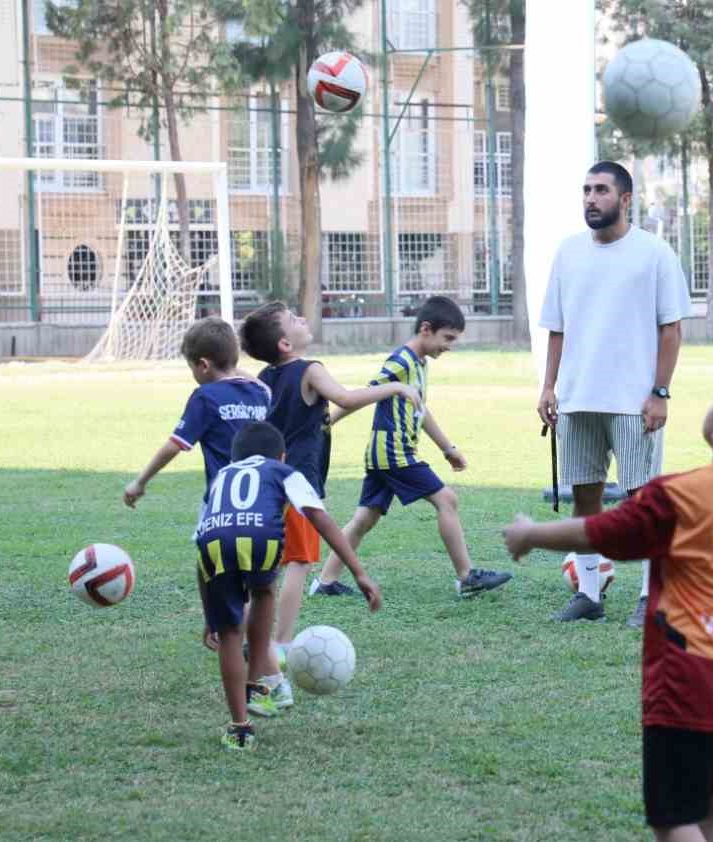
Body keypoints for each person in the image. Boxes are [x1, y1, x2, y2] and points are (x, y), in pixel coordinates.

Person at [503, 360, 713, 841]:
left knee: (673, 818)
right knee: (712, 813)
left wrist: (532, 534)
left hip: (687, 677)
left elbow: (600, 531)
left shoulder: (680, 494)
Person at [537, 160, 692, 626]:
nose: (590, 198)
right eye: (586, 189)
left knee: (640, 500)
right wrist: (548, 386)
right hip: (578, 399)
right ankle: (588, 594)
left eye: (601, 190)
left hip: (633, 402)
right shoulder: (567, 253)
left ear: (625, 199)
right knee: (585, 496)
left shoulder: (654, 253)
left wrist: (660, 392)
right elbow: (557, 329)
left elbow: (672, 329)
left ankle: (650, 596)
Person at [238, 301, 421, 687]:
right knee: (299, 562)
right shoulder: (310, 370)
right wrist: (396, 387)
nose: (303, 319)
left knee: (267, 566)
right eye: (294, 320)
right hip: (299, 484)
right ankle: (282, 643)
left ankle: (246, 634)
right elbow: (347, 399)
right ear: (286, 343)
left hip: (268, 482)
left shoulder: (266, 376)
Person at [195, 422, 381, 751]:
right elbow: (318, 516)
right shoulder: (284, 470)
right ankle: (254, 684)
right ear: (282, 455)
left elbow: (202, 537)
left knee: (229, 634)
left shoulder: (220, 476)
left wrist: (211, 614)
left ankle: (239, 728)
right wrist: (358, 571)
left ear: (234, 456)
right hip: (262, 538)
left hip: (213, 543)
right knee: (264, 591)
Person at [311, 295, 512, 598]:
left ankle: (325, 583)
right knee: (447, 500)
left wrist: (447, 448)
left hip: (385, 454)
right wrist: (329, 422)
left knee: (365, 518)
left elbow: (421, 410)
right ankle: (466, 576)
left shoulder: (419, 363)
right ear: (426, 329)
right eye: (448, 338)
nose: (449, 346)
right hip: (393, 453)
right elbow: (366, 393)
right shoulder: (401, 360)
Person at [122, 317, 272, 509]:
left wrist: (140, 482)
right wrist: (230, 363)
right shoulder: (260, 394)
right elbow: (265, 388)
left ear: (203, 365)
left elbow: (174, 445)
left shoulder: (205, 397)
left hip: (223, 500)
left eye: (191, 367)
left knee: (211, 538)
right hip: (262, 497)